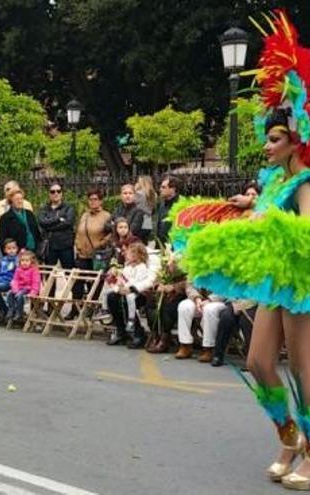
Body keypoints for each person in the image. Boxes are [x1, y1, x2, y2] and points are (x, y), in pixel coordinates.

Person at [178, 13, 310, 487]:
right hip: (276, 282)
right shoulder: (275, 181)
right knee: (257, 363)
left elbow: (305, 228)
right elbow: (265, 213)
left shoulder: (304, 182)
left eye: (275, 139)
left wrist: (266, 219)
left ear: (296, 140)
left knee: (302, 371)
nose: (267, 145)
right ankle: (289, 436)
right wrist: (247, 206)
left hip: (300, 282)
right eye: (267, 137)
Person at [105, 242, 156, 348]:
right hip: (127, 290)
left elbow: (146, 281)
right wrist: (119, 283)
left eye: (128, 253)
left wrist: (130, 289)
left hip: (141, 293)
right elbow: (124, 277)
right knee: (112, 297)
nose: (125, 255)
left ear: (136, 256)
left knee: (125, 300)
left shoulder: (144, 266)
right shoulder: (128, 265)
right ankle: (121, 331)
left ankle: (138, 334)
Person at [74, 189, 112, 300]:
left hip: (97, 255)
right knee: (78, 281)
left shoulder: (106, 216)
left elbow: (111, 233)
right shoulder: (85, 215)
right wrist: (77, 243)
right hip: (82, 254)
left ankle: (92, 306)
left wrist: (101, 243)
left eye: (95, 199)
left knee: (95, 282)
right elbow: (78, 231)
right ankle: (76, 307)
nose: (92, 202)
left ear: (101, 201)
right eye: (90, 200)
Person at [174, 282, 227, 362]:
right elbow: (190, 286)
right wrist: (197, 298)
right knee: (184, 306)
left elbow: (227, 287)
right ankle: (185, 345)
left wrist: (210, 300)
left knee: (209, 309)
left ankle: (209, 348)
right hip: (199, 299)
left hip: (219, 300)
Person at [37, 182, 76, 267]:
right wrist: (58, 219)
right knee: (49, 274)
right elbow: (41, 222)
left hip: (65, 246)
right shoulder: (44, 208)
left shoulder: (68, 208)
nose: (56, 193)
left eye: (58, 191)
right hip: (50, 246)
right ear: (49, 194)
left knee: (69, 273)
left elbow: (68, 223)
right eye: (52, 191)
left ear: (62, 193)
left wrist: (49, 227)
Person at [0, 188, 41, 255]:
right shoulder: (5, 218)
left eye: (21, 199)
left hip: (33, 252)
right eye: (17, 199)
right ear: (11, 201)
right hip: (17, 254)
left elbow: (36, 233)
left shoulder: (29, 214)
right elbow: (2, 240)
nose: (20, 201)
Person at [6, 250, 41, 323]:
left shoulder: (34, 270)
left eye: (27, 261)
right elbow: (15, 280)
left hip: (28, 289)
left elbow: (36, 282)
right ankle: (11, 309)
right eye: (22, 260)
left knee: (20, 296)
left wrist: (33, 292)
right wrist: (15, 290)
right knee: (9, 294)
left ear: (31, 261)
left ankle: (19, 312)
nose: (24, 262)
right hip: (19, 288)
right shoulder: (18, 269)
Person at [154, 175, 180, 246]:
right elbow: (159, 226)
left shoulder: (180, 205)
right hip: (161, 245)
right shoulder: (162, 204)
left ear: (173, 189)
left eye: (163, 187)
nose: (160, 189)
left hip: (174, 246)